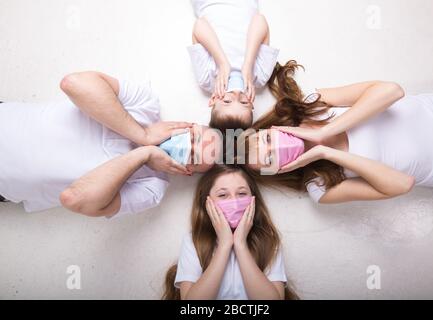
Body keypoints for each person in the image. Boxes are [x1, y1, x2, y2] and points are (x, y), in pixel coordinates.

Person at [0, 71, 222, 217]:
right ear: (189, 125)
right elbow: (72, 84)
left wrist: (144, 154)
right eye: (193, 138)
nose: (186, 146)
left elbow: (74, 199)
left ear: (186, 172)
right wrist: (142, 135)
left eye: (192, 156)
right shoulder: (145, 103)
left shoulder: (151, 188)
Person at [239, 60, 433, 204]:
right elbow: (404, 184)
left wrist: (325, 132)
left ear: (272, 128)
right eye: (269, 157)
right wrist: (325, 152)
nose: (276, 146)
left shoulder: (314, 105)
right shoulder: (320, 188)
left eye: (267, 138)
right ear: (278, 171)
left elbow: (392, 91)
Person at [163, 165, 298, 300]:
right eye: (223, 195)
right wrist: (224, 244)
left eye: (242, 194)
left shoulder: (268, 240)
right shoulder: (194, 241)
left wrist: (240, 244)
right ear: (207, 202)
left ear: (253, 199)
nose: (234, 202)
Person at [188, 0, 279, 130]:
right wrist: (248, 65)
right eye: (243, 102)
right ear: (252, 103)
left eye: (227, 101)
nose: (237, 95)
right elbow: (260, 20)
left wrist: (223, 64)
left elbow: (199, 25)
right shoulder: (259, 77)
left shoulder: (207, 79)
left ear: (213, 99)